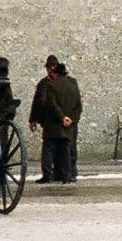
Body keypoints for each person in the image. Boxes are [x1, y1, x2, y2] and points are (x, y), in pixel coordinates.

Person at [28, 56, 81, 184]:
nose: (50, 72)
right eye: (48, 69)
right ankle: (62, 174)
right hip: (53, 121)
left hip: (62, 121)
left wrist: (67, 119)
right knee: (61, 148)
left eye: (53, 69)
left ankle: (67, 173)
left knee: (65, 148)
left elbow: (53, 104)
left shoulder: (68, 83)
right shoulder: (43, 84)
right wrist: (33, 119)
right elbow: (37, 102)